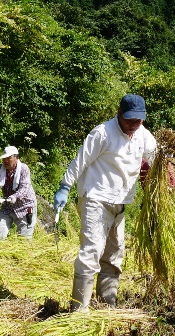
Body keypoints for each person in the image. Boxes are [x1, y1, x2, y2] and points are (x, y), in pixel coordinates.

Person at [53, 94, 158, 311]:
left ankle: (106, 305)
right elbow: (80, 160)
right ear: (118, 113)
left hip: (120, 203)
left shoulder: (142, 134)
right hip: (96, 199)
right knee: (92, 252)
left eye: (138, 120)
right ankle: (79, 310)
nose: (133, 125)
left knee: (114, 255)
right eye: (129, 120)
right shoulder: (102, 133)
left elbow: (155, 155)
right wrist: (65, 187)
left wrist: (163, 174)